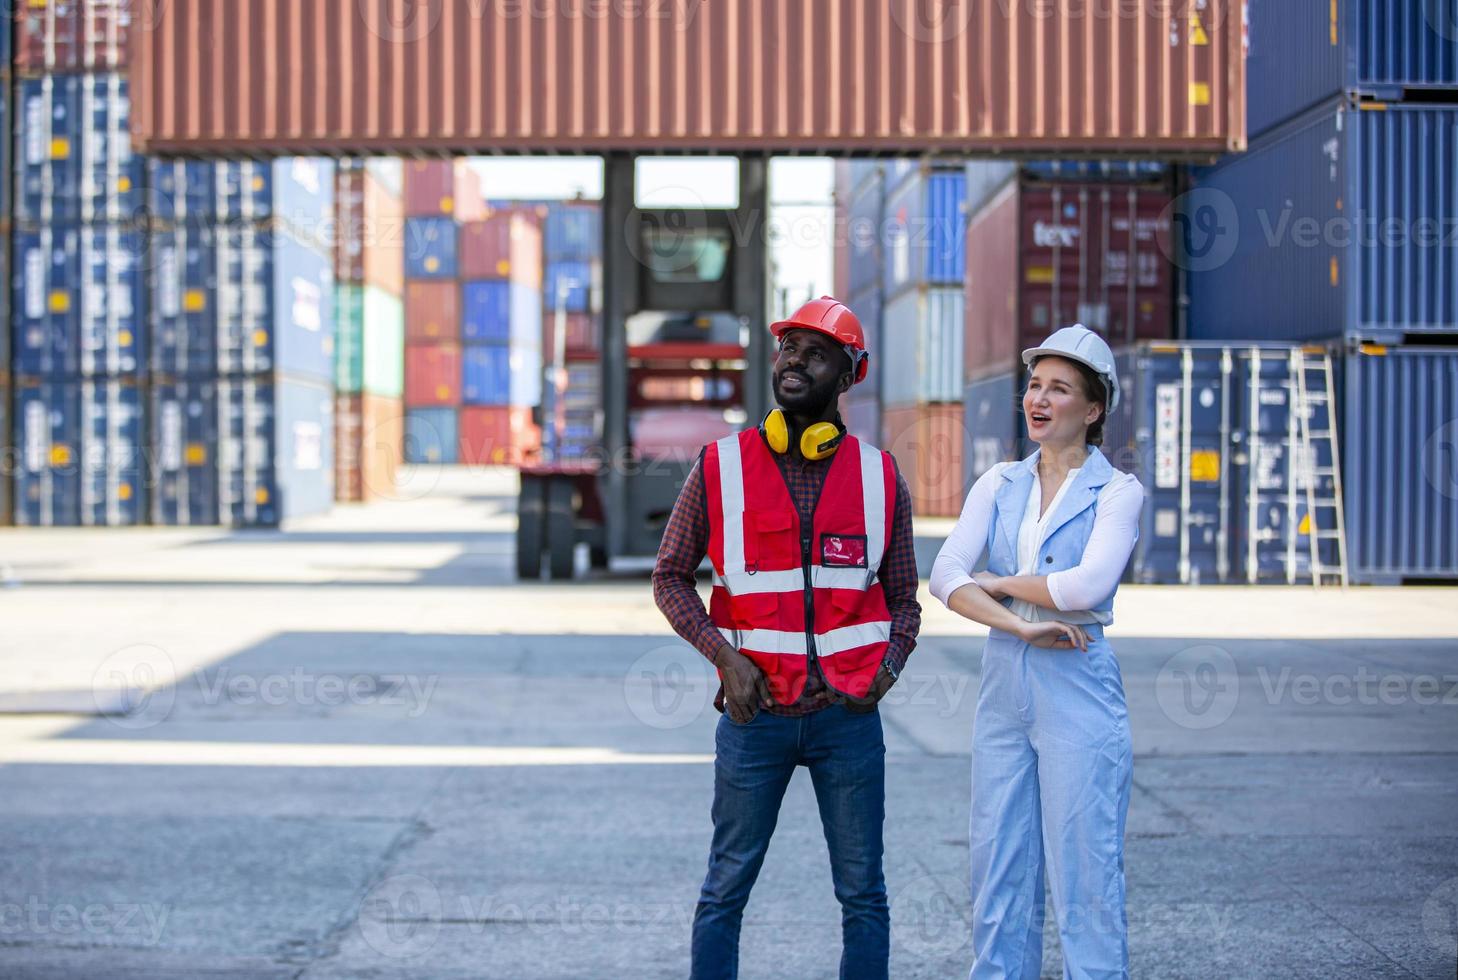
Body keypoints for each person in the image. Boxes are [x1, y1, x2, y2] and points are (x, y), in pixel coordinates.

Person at [653, 296, 922, 980]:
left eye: (815, 352)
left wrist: (885, 671)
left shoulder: (879, 477)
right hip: (755, 720)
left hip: (847, 721)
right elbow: (670, 578)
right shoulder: (720, 467)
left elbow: (903, 601)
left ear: (849, 373)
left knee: (863, 895)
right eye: (788, 348)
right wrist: (723, 657)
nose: (795, 361)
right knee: (724, 890)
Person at [929, 325, 1144, 979]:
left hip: (1077, 680)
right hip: (1006, 676)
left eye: (1059, 388)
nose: (1038, 399)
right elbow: (943, 577)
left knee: (1085, 868)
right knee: (998, 861)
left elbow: (1086, 586)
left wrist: (991, 582)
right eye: (1033, 385)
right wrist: (1019, 626)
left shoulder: (1118, 492)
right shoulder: (997, 483)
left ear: (1094, 407)